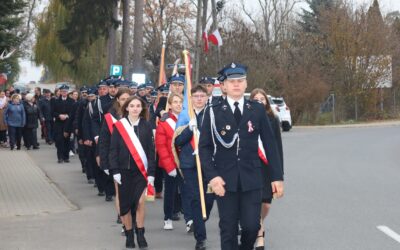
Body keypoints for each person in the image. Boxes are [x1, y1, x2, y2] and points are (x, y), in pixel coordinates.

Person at [199, 62, 284, 250]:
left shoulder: (257, 109)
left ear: (246, 84)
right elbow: (204, 148)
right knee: (227, 229)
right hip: (224, 180)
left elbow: (270, 145)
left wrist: (277, 177)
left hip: (252, 178)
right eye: (232, 81)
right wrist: (212, 177)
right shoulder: (213, 111)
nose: (236, 84)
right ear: (224, 86)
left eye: (240, 81)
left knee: (251, 226)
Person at [109, 96, 155, 249]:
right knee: (126, 206)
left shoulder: (146, 126)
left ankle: (140, 233)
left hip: (141, 172)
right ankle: (129, 235)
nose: (135, 108)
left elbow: (151, 151)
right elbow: (113, 149)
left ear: (142, 109)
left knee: (141, 202)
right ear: (127, 108)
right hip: (123, 172)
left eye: (138, 106)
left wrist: (151, 173)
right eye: (132, 106)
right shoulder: (119, 126)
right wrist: (114, 170)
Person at [174, 85, 215, 250]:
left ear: (206, 97)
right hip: (190, 164)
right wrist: (189, 130)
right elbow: (177, 142)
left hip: (209, 163)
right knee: (197, 199)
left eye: (201, 96)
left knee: (210, 199)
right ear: (190, 98)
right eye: (196, 96)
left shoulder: (212, 114)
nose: (199, 99)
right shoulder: (185, 115)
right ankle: (201, 238)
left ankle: (199, 220)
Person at [250, 88, 284, 249]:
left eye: (261, 99)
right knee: (255, 202)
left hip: (267, 168)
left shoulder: (273, 119)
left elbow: (277, 147)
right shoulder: (246, 119)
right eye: (255, 99)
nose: (259, 101)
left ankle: (260, 221)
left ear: (266, 102)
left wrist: (279, 173)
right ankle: (260, 234)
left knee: (266, 204)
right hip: (251, 167)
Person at [156, 93, 187, 230]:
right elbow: (161, 146)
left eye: (180, 102)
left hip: (186, 162)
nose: (178, 104)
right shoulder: (164, 121)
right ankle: (167, 218)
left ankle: (190, 219)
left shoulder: (188, 119)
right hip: (170, 163)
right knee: (170, 192)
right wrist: (169, 166)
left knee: (188, 192)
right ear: (170, 104)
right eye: (175, 102)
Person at [99, 88, 131, 204]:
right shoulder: (110, 117)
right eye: (123, 99)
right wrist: (104, 162)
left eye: (128, 99)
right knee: (121, 190)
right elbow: (104, 141)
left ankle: (132, 216)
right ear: (117, 100)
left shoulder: (138, 115)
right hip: (117, 159)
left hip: (134, 159)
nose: (126, 101)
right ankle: (122, 214)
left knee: (134, 192)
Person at [52, 84, 74, 163]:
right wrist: (59, 115)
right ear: (60, 92)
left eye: (65, 91)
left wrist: (67, 116)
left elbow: (73, 112)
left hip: (67, 123)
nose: (64, 93)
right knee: (59, 141)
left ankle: (66, 157)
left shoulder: (71, 101)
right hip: (58, 124)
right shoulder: (56, 101)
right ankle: (60, 157)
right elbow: (52, 112)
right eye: (62, 91)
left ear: (67, 92)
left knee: (67, 140)